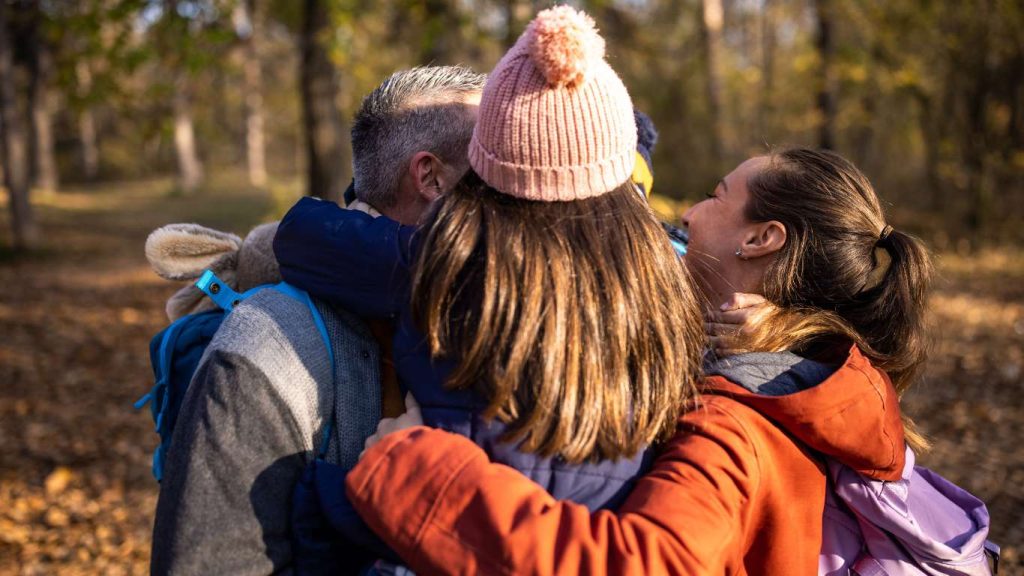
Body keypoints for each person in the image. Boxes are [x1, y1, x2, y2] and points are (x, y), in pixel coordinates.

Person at [339, 148, 967, 575]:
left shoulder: (737, 420)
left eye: (715, 197)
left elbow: (647, 561)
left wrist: (417, 473)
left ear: (760, 239)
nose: (688, 214)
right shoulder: (816, 371)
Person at [272, 3, 706, 548]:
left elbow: (302, 236)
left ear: (489, 159)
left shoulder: (446, 260)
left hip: (461, 535)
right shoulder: (668, 271)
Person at [148, 65, 486, 575]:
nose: (516, 182)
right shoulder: (267, 345)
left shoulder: (494, 317)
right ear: (431, 177)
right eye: (491, 166)